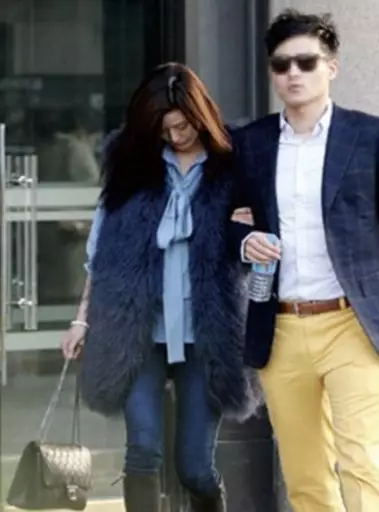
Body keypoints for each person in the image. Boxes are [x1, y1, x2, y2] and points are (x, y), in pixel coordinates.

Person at [232, 10, 379, 512]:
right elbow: (226, 220)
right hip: (281, 328)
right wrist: (243, 241)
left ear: (331, 67)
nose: (293, 73)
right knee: (305, 475)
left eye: (306, 62)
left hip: (354, 323)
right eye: (281, 64)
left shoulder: (370, 136)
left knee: (362, 463)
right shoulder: (251, 143)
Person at [60, 62, 260, 512]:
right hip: (139, 331)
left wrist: (250, 229)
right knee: (142, 451)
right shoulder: (134, 164)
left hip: (207, 333)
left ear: (200, 115)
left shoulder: (233, 165)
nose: (175, 136)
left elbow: (258, 241)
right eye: (165, 129)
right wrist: (81, 321)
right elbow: (100, 252)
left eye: (183, 126)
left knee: (195, 466)